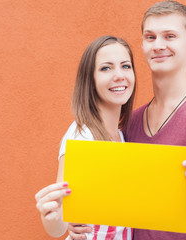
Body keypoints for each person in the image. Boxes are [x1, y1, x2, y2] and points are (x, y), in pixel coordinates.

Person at [67, 1, 186, 240]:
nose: (158, 45)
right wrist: (75, 219)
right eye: (150, 37)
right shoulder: (132, 121)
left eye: (170, 36)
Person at [35, 35, 136, 240]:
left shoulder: (121, 136)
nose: (119, 75)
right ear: (90, 80)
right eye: (106, 68)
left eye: (126, 66)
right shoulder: (82, 136)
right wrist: (52, 216)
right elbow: (59, 223)